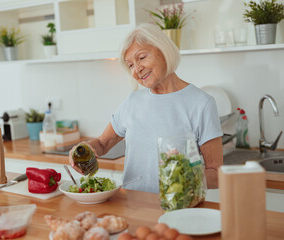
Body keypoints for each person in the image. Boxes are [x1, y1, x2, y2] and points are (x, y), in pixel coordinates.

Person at [69, 23, 223, 193]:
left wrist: (184, 175)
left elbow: (216, 174)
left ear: (163, 51)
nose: (137, 70)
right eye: (130, 65)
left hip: (178, 208)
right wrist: (83, 149)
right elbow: (101, 143)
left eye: (142, 58)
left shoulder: (201, 103)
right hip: (132, 206)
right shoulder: (133, 101)